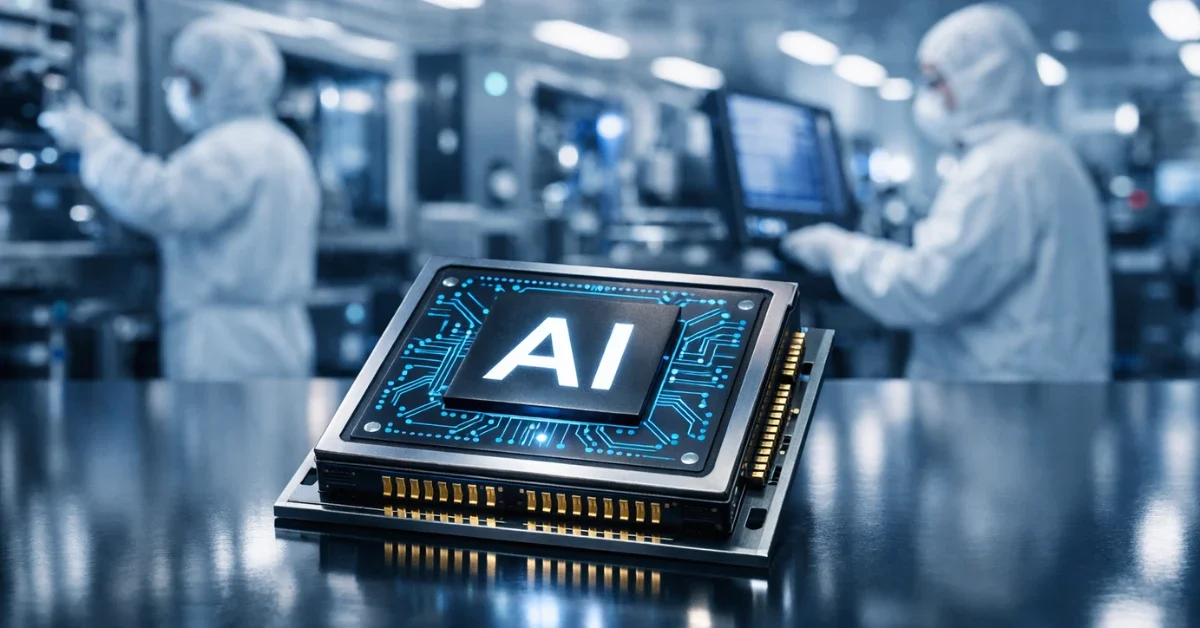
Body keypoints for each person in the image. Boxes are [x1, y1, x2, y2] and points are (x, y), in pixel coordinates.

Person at [781, 3, 1111, 381]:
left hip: (999, 406)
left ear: (982, 80)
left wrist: (837, 250)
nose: (929, 98)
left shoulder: (1000, 167)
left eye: (936, 81)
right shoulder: (1047, 154)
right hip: (1046, 394)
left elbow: (927, 287)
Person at [41, 19, 320, 380]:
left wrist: (93, 140)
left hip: (226, 348)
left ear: (210, 85)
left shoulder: (229, 149)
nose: (175, 89)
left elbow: (160, 201)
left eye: (183, 80)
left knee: (221, 436)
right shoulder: (283, 147)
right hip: (282, 338)